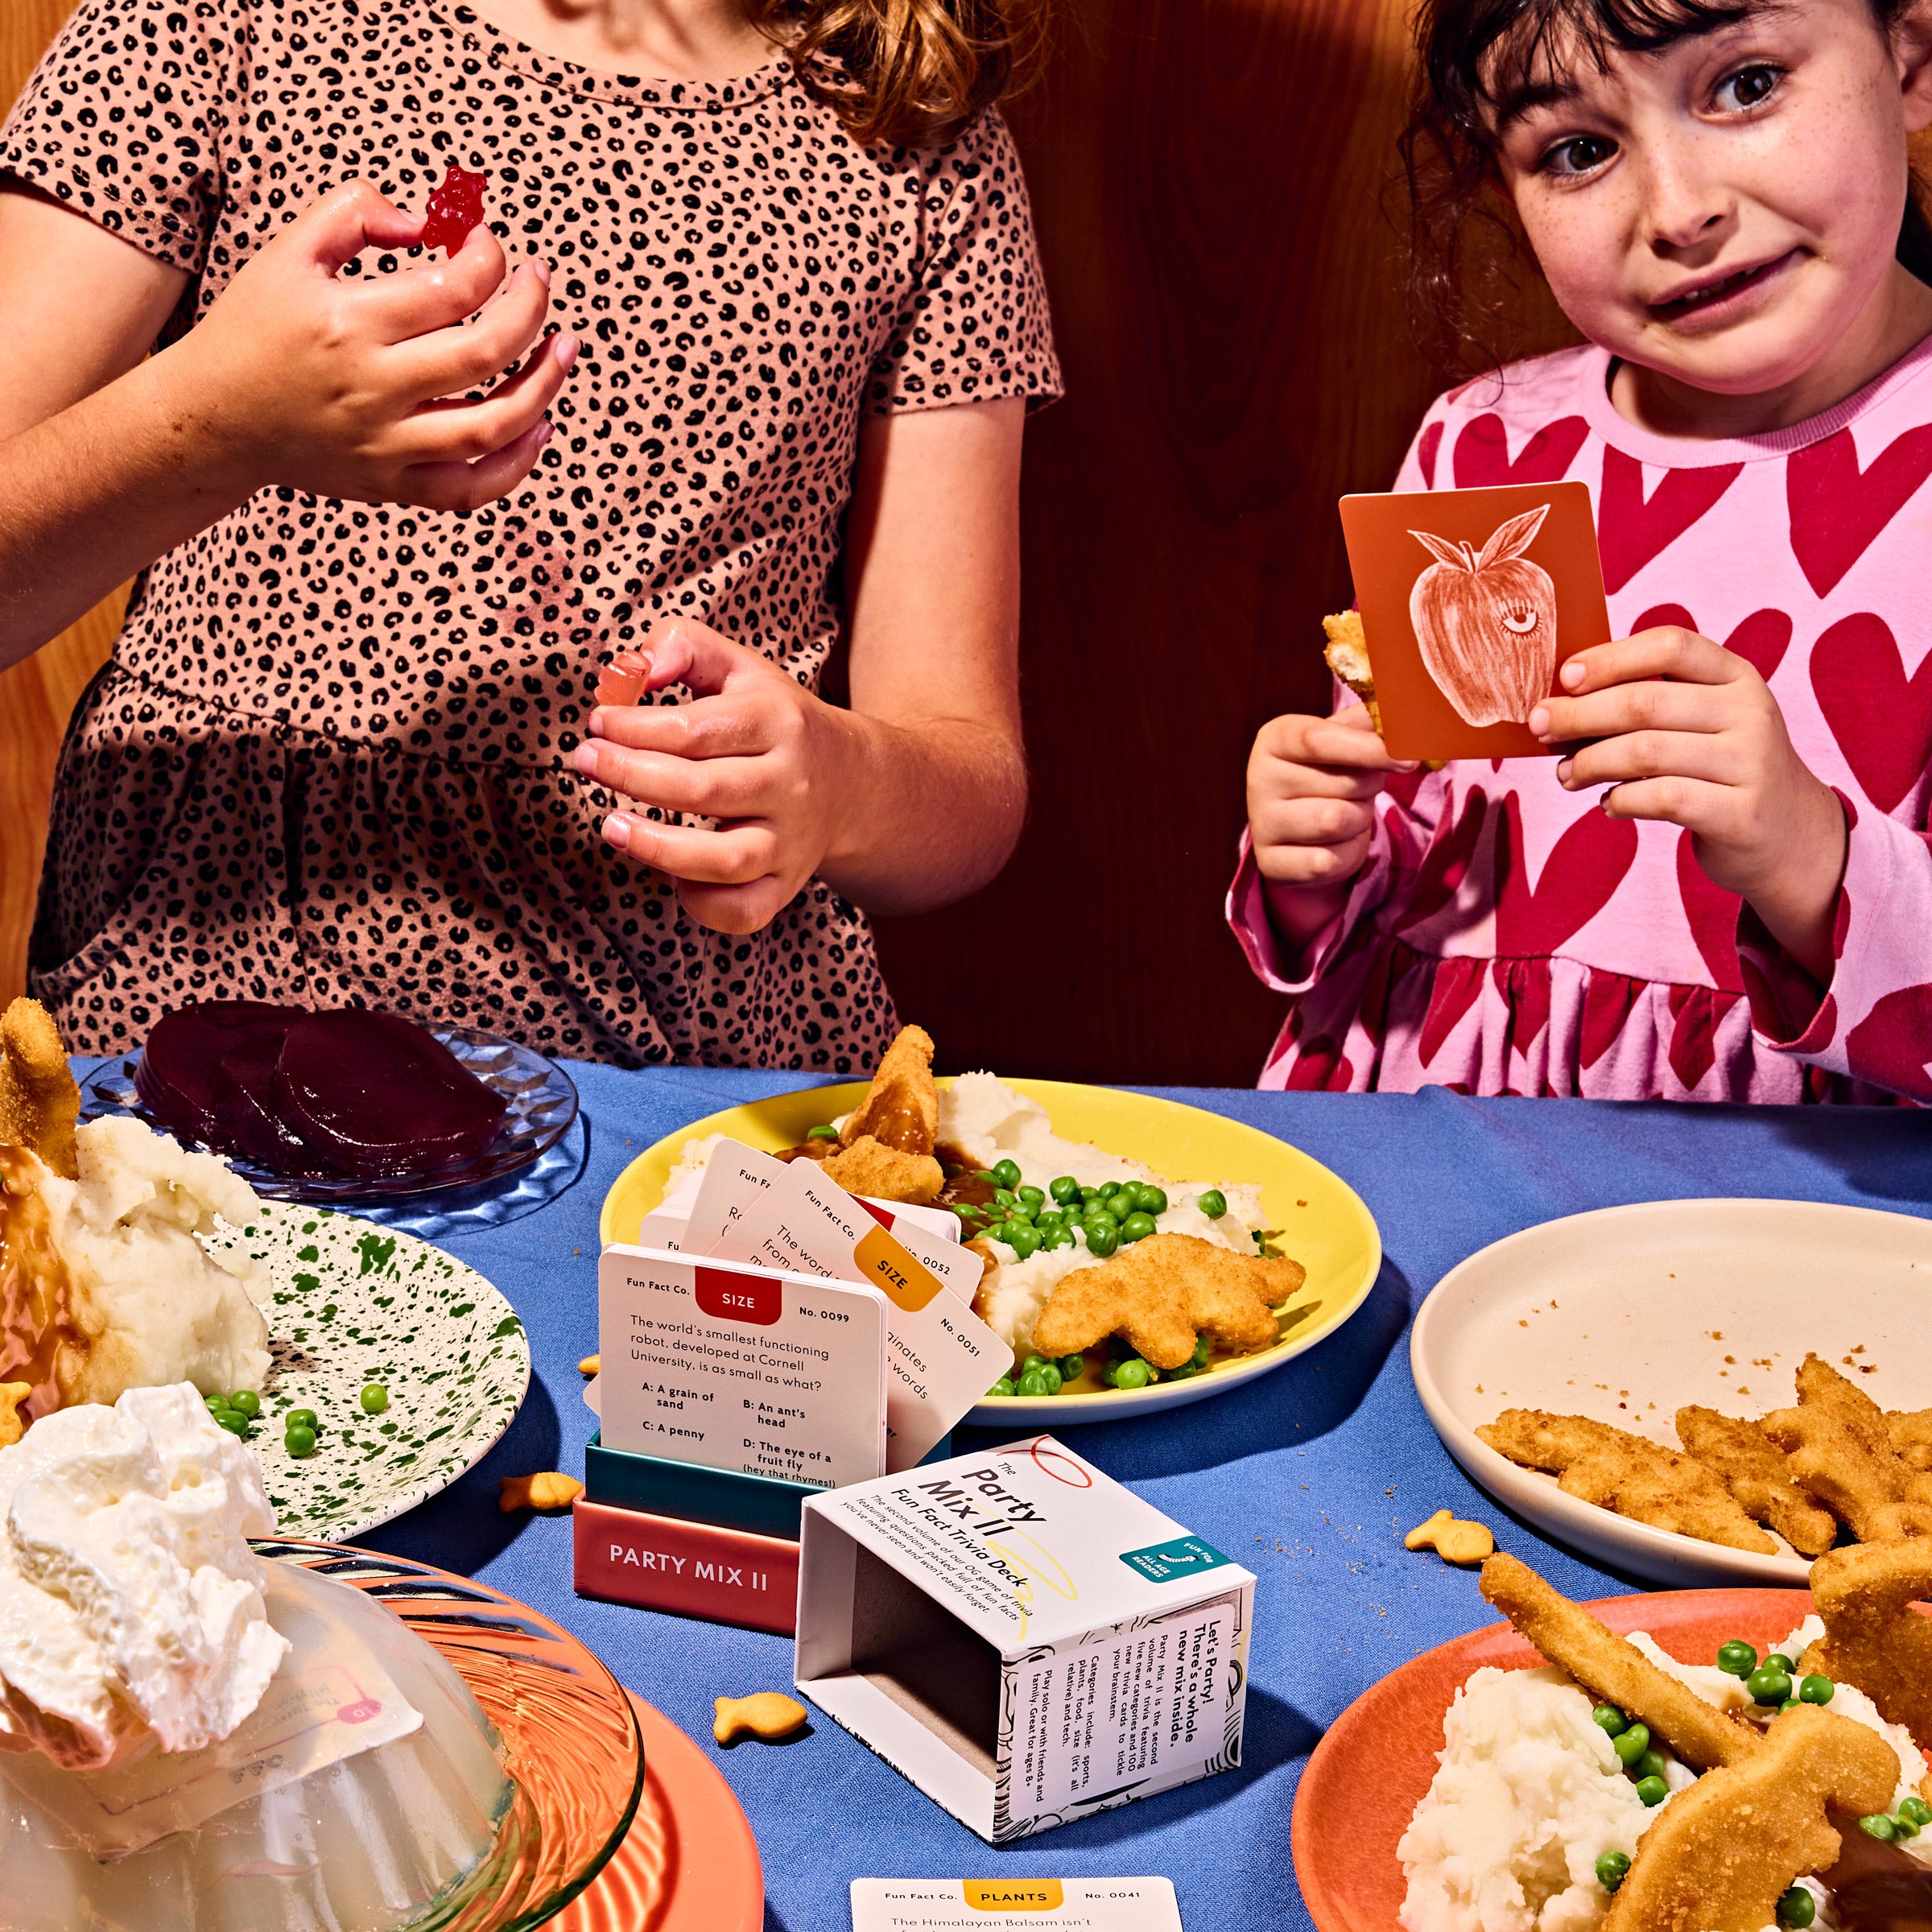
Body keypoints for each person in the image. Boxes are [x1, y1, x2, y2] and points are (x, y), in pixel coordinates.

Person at [0, 0, 1058, 1070]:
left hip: (688, 1068)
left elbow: (968, 776)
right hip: (207, 997)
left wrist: (842, 783)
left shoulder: (916, 129)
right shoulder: (220, 18)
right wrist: (220, 428)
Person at [1236, 0, 1932, 1100]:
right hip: (1435, 1131)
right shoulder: (1485, 443)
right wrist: (1322, 854)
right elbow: (1425, 845)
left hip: (1801, 1198)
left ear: (1913, 58)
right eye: (1580, 150)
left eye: (1747, 86)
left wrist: (1811, 858)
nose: (1681, 211)